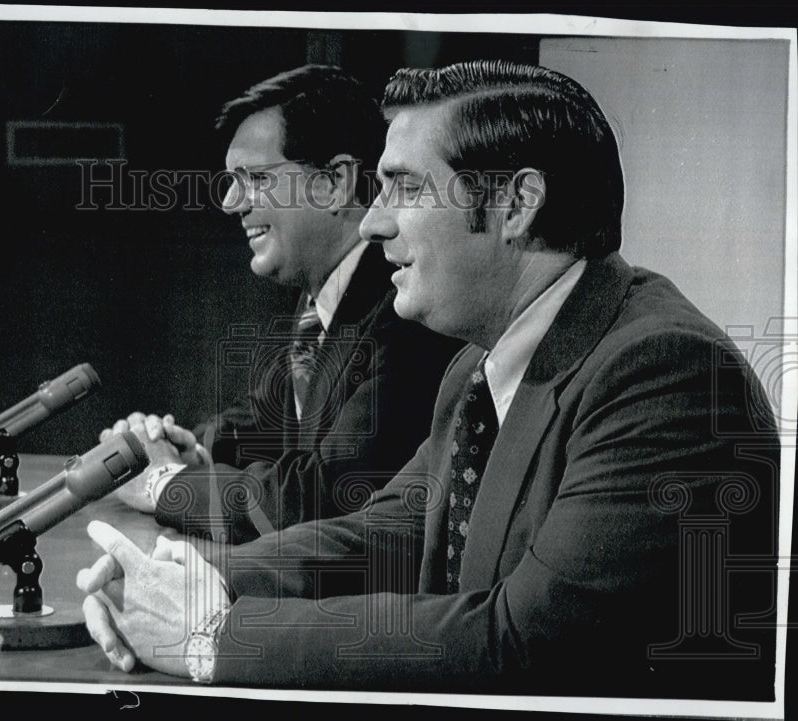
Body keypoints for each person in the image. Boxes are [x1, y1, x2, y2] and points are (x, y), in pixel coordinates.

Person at [79, 60, 780, 698]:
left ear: (515, 204)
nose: (375, 222)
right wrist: (194, 577)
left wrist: (213, 637)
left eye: (404, 187)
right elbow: (389, 533)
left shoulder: (666, 372)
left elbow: (524, 642)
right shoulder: (477, 364)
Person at [101, 65, 461, 543]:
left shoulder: (405, 311)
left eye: (252, 178)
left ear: (334, 183)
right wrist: (186, 450)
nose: (231, 202)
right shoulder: (322, 300)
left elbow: (322, 497)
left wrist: (166, 481)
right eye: (230, 180)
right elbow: (265, 423)